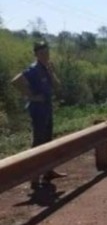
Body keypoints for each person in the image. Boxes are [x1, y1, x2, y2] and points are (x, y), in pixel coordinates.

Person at [10, 40, 66, 189]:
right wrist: (31, 96)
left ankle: (48, 171)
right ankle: (33, 178)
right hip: (37, 109)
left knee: (48, 141)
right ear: (36, 54)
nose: (45, 55)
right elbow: (15, 81)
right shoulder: (34, 69)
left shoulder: (46, 68)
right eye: (42, 53)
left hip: (47, 107)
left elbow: (57, 86)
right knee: (38, 142)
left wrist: (52, 72)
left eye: (47, 52)